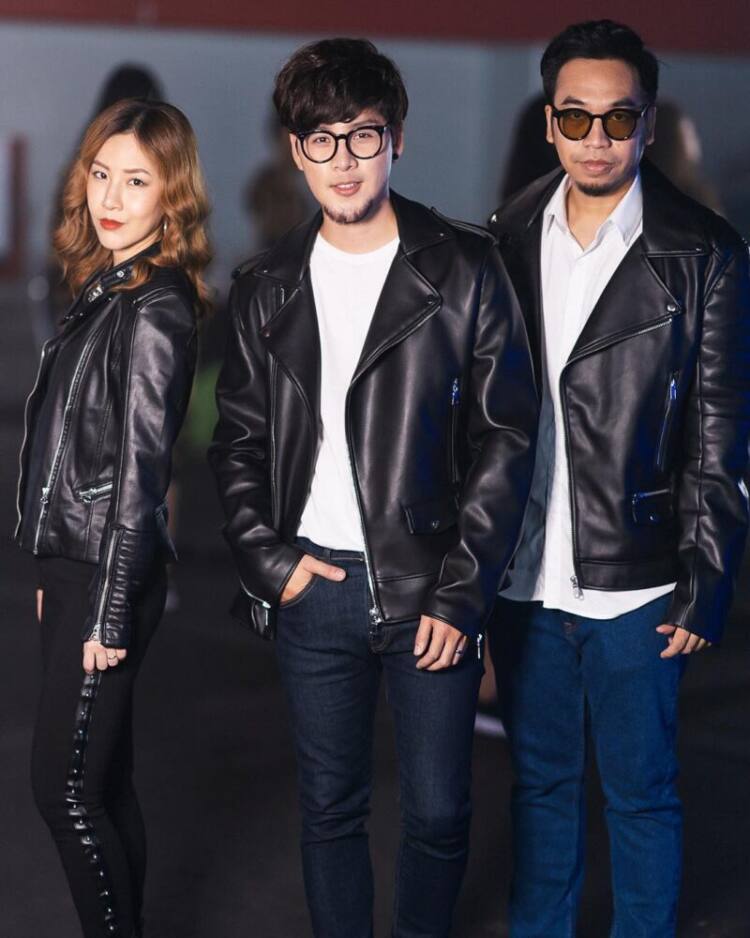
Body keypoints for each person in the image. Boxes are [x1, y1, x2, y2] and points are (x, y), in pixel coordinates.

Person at [209, 37, 537, 938]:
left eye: (363, 135)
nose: (343, 160)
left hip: (431, 585)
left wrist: (463, 592)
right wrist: (271, 563)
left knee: (438, 810)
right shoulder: (265, 285)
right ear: (296, 149)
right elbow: (236, 443)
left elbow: (509, 436)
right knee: (330, 808)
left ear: (398, 139)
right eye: (322, 139)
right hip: (312, 586)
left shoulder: (464, 267)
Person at [487, 19, 750, 937]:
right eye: (576, 117)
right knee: (539, 788)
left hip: (640, 583)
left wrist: (706, 580)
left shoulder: (705, 253)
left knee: (642, 794)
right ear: (549, 122)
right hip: (523, 576)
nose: (596, 138)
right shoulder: (505, 235)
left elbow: (722, 434)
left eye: (619, 118)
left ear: (648, 123)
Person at [16, 99, 211, 938]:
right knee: (102, 784)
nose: (111, 196)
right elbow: (72, 453)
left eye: (137, 180)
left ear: (172, 196)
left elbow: (140, 473)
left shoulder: (155, 306)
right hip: (79, 566)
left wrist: (105, 601)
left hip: (109, 573)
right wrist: (53, 564)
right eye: (102, 174)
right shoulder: (107, 288)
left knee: (62, 790)